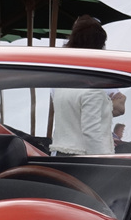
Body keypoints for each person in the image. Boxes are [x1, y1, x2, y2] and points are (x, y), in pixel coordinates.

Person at [51, 15, 126, 156]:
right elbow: (92, 136)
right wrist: (105, 161)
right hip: (84, 160)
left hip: (61, 154)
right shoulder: (94, 90)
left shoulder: (59, 83)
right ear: (98, 46)